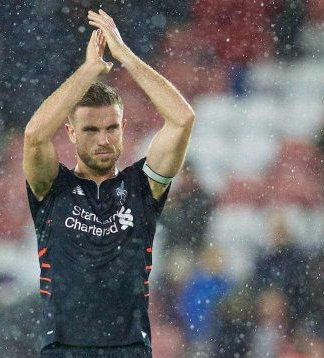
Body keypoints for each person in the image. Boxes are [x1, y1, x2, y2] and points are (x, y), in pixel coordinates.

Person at [23, 6, 195, 357]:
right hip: (63, 349)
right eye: (91, 129)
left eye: (111, 127)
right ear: (70, 133)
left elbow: (181, 119)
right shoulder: (53, 189)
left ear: (123, 128)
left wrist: (126, 56)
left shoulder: (142, 188)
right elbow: (35, 136)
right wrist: (89, 71)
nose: (103, 140)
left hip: (129, 349)